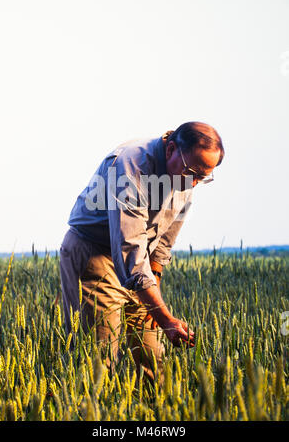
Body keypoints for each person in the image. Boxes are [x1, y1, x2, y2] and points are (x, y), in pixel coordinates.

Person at [59, 121, 224, 380]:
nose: (193, 183)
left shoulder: (186, 177)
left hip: (139, 262)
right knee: (99, 362)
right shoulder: (132, 166)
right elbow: (129, 246)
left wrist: (156, 300)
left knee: (153, 358)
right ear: (171, 150)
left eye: (203, 177)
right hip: (94, 255)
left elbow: (163, 243)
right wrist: (167, 318)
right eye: (191, 172)